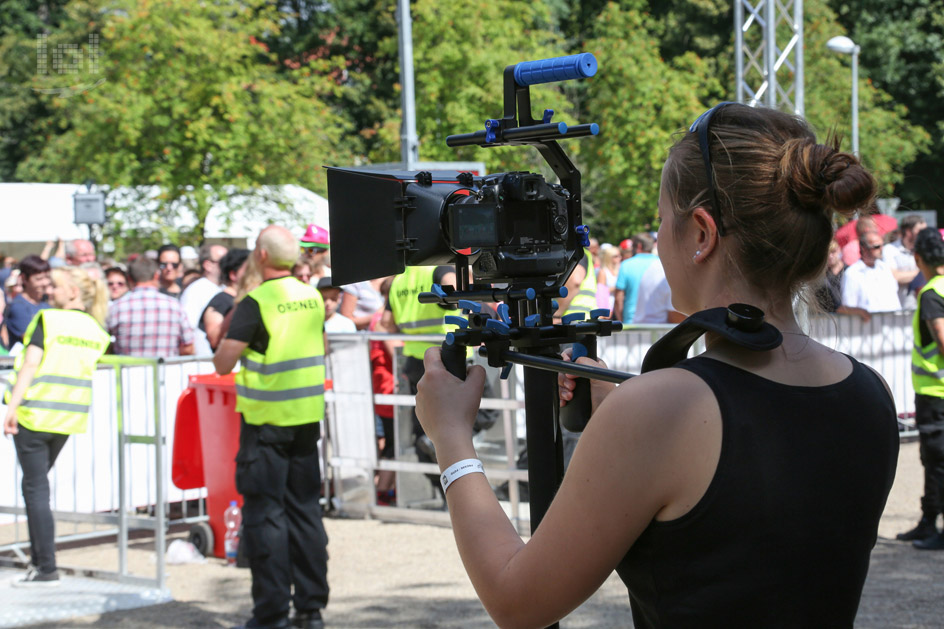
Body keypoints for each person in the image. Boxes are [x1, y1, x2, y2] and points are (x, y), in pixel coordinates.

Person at [414, 104, 899, 627]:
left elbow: (516, 600)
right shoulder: (870, 393)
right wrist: (619, 414)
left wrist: (451, 437)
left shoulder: (662, 409)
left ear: (701, 234)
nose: (660, 237)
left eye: (663, 220)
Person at [214, 225, 329, 629]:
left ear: (261, 255)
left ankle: (272, 612)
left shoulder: (255, 302)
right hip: (305, 421)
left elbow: (223, 363)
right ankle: (311, 609)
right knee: (305, 514)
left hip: (265, 426)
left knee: (266, 518)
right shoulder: (312, 297)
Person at [3, 266, 110, 586]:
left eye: (56, 286)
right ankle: (43, 564)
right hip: (66, 418)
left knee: (35, 491)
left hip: (35, 414)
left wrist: (12, 407)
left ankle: (45, 566)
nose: (50, 291)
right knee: (37, 488)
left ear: (74, 292)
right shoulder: (95, 329)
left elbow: (31, 363)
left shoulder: (48, 320)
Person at [899, 227, 944, 550]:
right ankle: (928, 522)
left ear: (918, 258)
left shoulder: (931, 293)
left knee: (936, 461)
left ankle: (934, 527)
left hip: (935, 393)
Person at [106, 256, 194, 357]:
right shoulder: (175, 306)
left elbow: (103, 343)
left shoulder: (116, 308)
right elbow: (188, 347)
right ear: (156, 276)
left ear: (129, 278)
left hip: (127, 370)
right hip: (166, 370)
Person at [179, 243, 229, 355]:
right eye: (224, 261)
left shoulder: (225, 288)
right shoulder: (195, 291)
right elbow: (188, 329)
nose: (229, 265)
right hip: (203, 363)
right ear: (208, 265)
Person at [200, 248, 250, 351]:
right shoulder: (219, 302)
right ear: (233, 275)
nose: (254, 275)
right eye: (248, 270)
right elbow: (214, 340)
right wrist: (239, 307)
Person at [841, 230, 902, 313]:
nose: (881, 249)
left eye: (882, 245)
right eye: (877, 246)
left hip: (893, 323)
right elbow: (848, 306)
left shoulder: (885, 268)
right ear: (864, 248)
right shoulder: (852, 274)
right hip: (868, 324)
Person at [2, 255, 52, 349]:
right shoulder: (17, 306)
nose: (45, 283)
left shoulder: (47, 304)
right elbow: (31, 339)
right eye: (39, 279)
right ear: (24, 278)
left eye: (47, 277)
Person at [883, 214, 926, 309]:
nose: (924, 234)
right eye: (920, 231)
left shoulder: (925, 250)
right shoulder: (890, 250)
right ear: (908, 231)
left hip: (920, 307)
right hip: (898, 308)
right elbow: (894, 277)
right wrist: (922, 272)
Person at [613, 232, 658, 322]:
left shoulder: (626, 265)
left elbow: (618, 297)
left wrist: (622, 320)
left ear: (639, 246)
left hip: (631, 322)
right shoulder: (661, 264)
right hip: (657, 321)